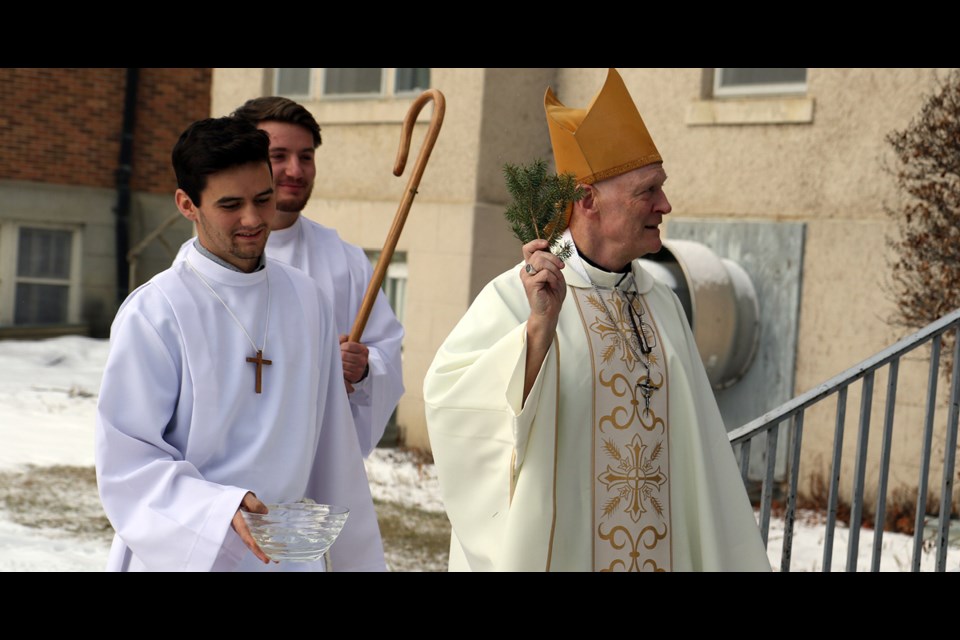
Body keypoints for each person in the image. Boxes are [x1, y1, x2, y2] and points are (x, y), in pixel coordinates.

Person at [423, 68, 770, 572]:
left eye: (662, 188)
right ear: (587, 200)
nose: (665, 204)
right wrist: (537, 332)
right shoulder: (516, 296)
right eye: (647, 191)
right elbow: (453, 405)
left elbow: (700, 454)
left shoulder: (664, 303)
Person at [95, 117, 385, 572]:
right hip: (187, 550)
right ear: (187, 204)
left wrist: (357, 562)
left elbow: (335, 452)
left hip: (287, 556)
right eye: (230, 204)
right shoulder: (156, 313)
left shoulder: (308, 299)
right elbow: (128, 464)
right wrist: (218, 509)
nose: (253, 219)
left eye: (263, 199)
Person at [174, 97, 404, 456]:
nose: (295, 171)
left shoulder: (345, 260)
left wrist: (361, 370)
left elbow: (386, 356)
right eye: (278, 156)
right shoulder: (201, 269)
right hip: (226, 468)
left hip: (318, 458)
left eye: (306, 156)